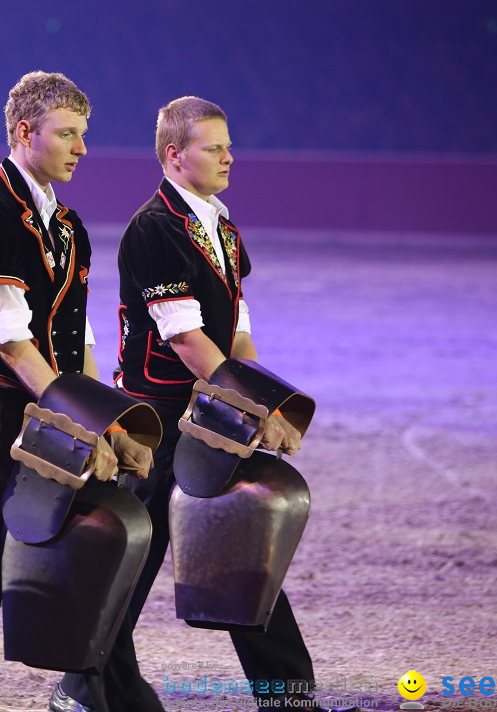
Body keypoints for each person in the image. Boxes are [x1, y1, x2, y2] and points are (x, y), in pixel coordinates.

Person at [52, 97, 350, 712]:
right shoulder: (153, 229)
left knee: (244, 547)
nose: (228, 157)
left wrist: (262, 397)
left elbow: (236, 328)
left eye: (228, 145)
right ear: (174, 155)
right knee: (131, 559)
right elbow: (186, 338)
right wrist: (252, 405)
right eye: (214, 147)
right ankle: (79, 689)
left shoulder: (222, 226)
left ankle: (289, 701)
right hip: (156, 424)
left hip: (213, 413)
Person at [0, 71, 156, 712]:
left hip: (51, 418)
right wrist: (88, 426)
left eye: (83, 135)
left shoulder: (68, 225)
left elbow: (78, 341)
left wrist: (112, 419)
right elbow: (13, 342)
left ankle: (103, 699)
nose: (81, 148)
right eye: (67, 134)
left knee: (99, 557)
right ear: (25, 132)